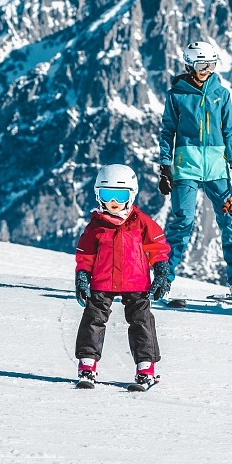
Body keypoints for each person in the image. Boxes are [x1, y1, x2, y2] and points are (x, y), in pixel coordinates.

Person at [157, 40, 232, 296]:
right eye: (201, 64)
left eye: (211, 64)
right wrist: (165, 167)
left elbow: (229, 131)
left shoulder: (221, 94)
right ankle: (164, 277)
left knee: (230, 220)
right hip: (185, 166)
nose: (206, 69)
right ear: (189, 65)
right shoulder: (176, 95)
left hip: (216, 168)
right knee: (182, 221)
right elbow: (167, 132)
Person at [74, 164, 171, 389]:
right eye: (107, 196)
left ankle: (146, 368)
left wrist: (161, 271)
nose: (113, 203)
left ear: (131, 194)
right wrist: (82, 276)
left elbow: (158, 247)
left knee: (142, 322)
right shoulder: (96, 226)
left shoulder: (141, 221)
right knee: (93, 318)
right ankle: (87, 365)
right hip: (102, 281)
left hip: (136, 282)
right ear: (98, 195)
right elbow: (86, 255)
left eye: (119, 196)